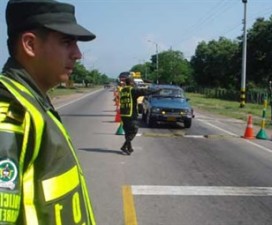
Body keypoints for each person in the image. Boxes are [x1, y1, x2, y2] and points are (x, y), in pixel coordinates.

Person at [0, 0, 96, 224]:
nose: (78, 54)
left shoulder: (33, 103)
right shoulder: (11, 113)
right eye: (66, 42)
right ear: (30, 45)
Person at [119, 77, 160, 155]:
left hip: (123, 114)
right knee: (134, 130)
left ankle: (128, 148)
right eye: (133, 82)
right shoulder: (132, 90)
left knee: (128, 132)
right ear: (131, 83)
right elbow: (145, 91)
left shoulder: (123, 90)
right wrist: (157, 89)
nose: (134, 83)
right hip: (131, 114)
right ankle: (124, 146)